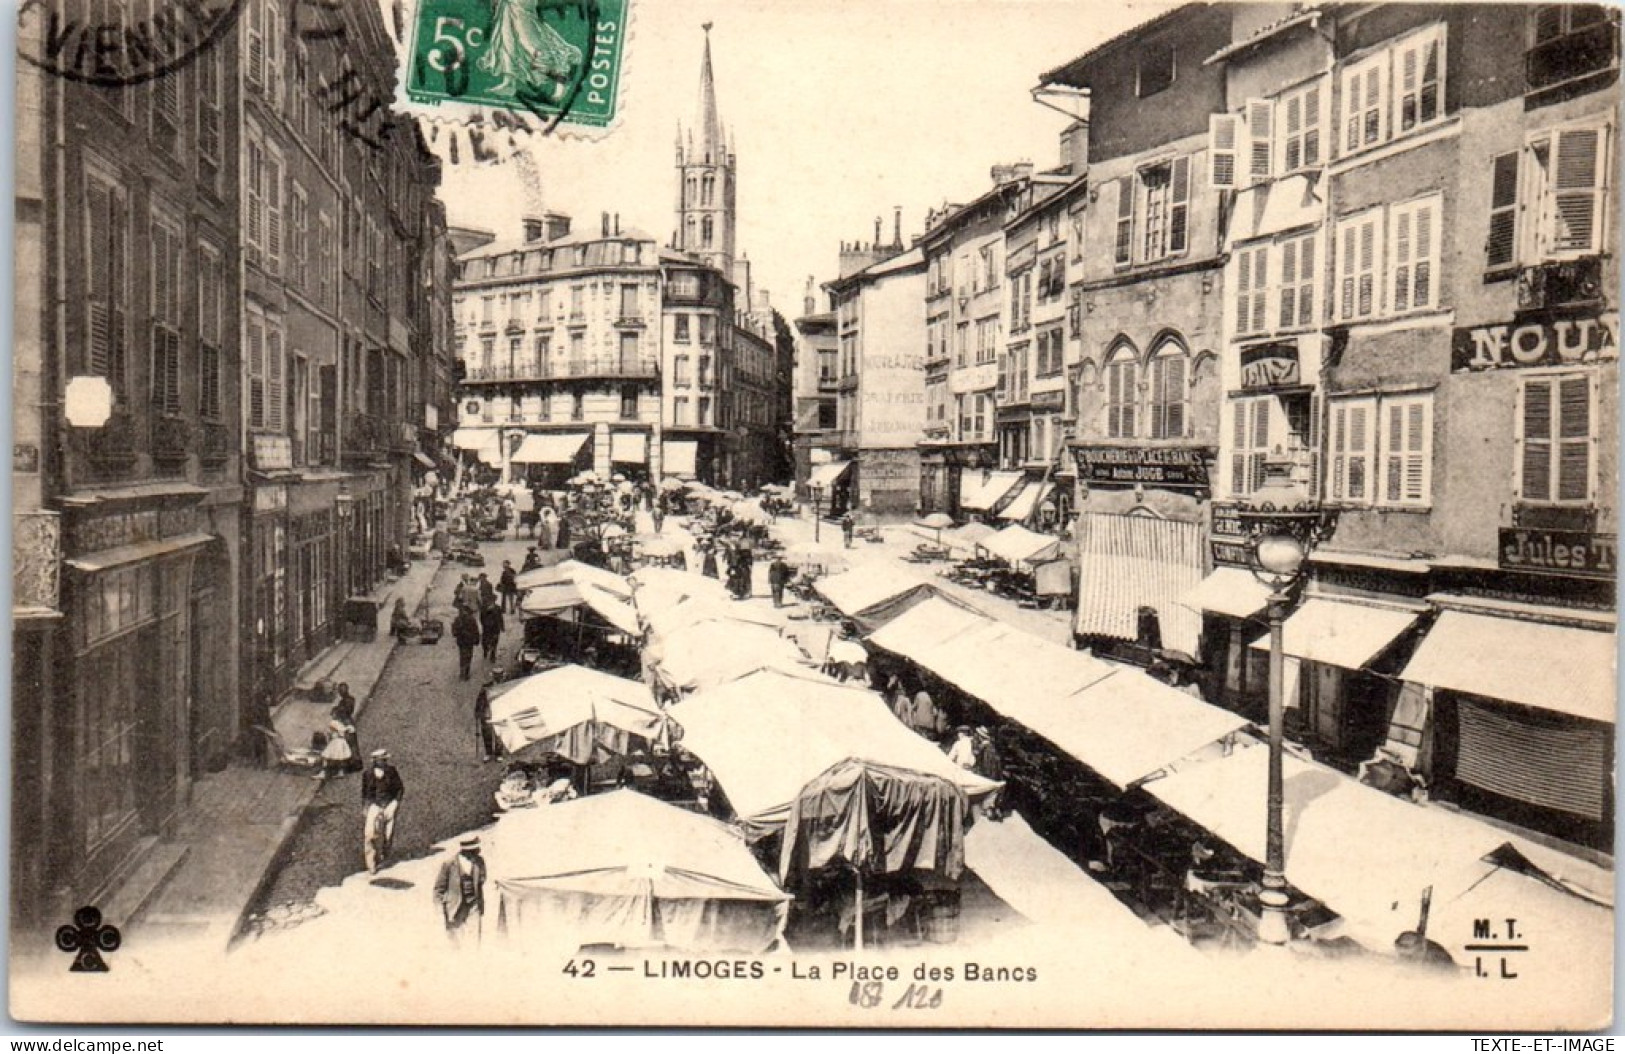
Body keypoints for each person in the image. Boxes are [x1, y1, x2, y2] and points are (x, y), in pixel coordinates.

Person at [434, 836, 487, 947]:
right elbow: (439, 889)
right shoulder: (449, 864)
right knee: (455, 943)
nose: (477, 851)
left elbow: (482, 879)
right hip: (455, 907)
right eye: (473, 850)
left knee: (474, 942)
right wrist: (440, 910)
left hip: (474, 905)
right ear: (464, 850)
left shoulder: (479, 862)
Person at [361, 749, 405, 874]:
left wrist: (395, 803)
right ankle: (371, 862)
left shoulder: (391, 771)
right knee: (370, 834)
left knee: (388, 834)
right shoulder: (368, 774)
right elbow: (365, 793)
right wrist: (365, 807)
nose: (384, 762)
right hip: (374, 805)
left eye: (385, 760)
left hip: (390, 804)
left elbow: (400, 788)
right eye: (381, 760)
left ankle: (385, 854)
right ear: (375, 761)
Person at [972, 727, 1006, 820]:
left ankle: (990, 810)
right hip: (994, 773)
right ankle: (994, 809)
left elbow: (986, 764)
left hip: (989, 773)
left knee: (989, 791)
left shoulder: (986, 748)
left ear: (981, 736)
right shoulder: (991, 747)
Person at [316, 710, 356, 780]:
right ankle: (340, 772)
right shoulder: (341, 724)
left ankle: (323, 773)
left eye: (333, 714)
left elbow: (332, 732)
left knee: (325, 757)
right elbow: (347, 730)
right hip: (342, 742)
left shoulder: (334, 723)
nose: (332, 716)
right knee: (340, 758)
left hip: (336, 742)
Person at [452, 605, 482, 681]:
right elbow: (476, 630)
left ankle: (462, 672)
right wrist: (476, 640)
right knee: (468, 656)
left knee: (462, 656)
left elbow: (454, 632)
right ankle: (466, 673)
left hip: (461, 641)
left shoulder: (457, 619)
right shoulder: (472, 619)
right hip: (469, 641)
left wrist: (458, 633)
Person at [475, 677, 501, 763]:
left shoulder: (506, 685)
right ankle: (488, 753)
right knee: (487, 733)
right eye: (496, 674)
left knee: (499, 733)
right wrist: (477, 711)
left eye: (500, 674)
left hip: (500, 712)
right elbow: (479, 699)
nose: (498, 677)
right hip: (488, 712)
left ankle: (498, 754)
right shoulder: (486, 687)